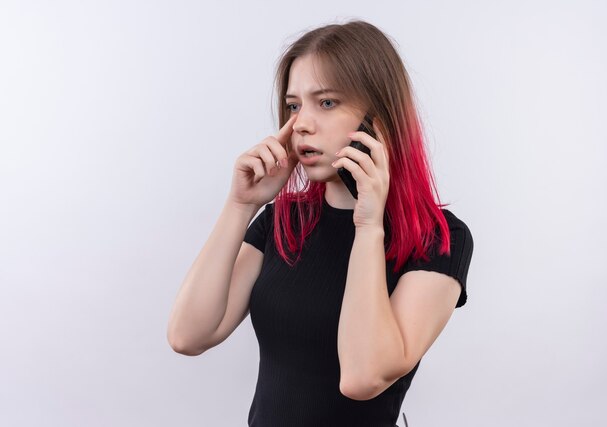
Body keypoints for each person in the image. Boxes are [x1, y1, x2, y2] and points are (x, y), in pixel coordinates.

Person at [167, 19, 474, 427]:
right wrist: (241, 206)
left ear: (378, 118)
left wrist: (368, 227)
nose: (302, 124)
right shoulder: (282, 221)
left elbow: (363, 377)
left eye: (326, 103)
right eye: (294, 106)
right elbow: (188, 335)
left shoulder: (437, 238)